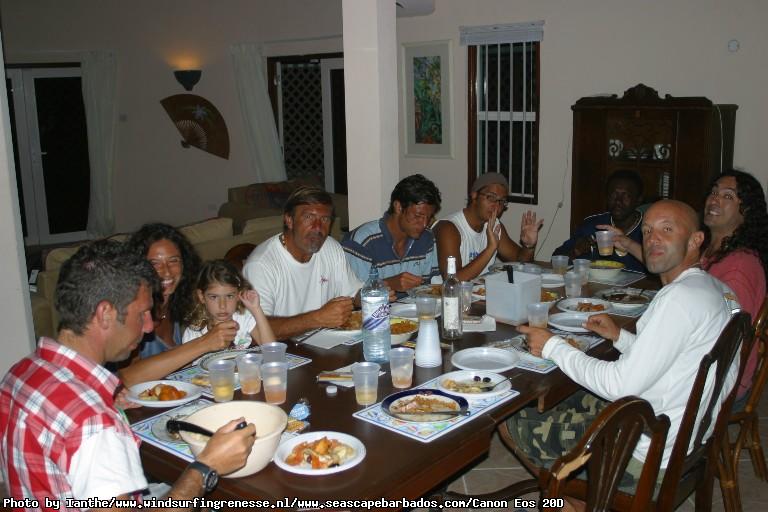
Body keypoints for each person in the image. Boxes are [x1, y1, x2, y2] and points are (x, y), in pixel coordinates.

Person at [0, 240, 255, 510]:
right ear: (105, 314)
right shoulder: (96, 426)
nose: (148, 326)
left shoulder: (21, 373)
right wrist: (205, 468)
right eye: (143, 313)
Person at [510, 200, 739, 499]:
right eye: (648, 231)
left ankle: (567, 498)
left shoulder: (678, 299)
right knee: (570, 396)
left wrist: (552, 345)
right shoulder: (715, 289)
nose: (653, 238)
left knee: (514, 413)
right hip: (683, 435)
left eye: (667, 229)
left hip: (646, 455)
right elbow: (675, 357)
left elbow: (619, 385)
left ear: (696, 240)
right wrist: (620, 337)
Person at [608, 170, 767, 405]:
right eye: (713, 192)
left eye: (728, 196)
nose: (714, 200)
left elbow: (728, 338)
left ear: (748, 211)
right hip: (702, 369)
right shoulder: (714, 251)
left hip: (717, 385)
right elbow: (671, 263)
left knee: (622, 374)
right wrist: (628, 243)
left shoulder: (739, 267)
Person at [116, 224, 232, 386]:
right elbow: (126, 379)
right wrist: (204, 343)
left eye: (173, 261)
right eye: (155, 263)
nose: (167, 272)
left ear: (184, 264)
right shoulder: (130, 311)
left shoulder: (186, 300)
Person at [243, 186, 366, 339]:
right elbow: (256, 331)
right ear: (289, 220)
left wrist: (374, 294)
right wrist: (317, 318)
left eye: (325, 219)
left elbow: (353, 293)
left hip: (326, 343)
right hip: (281, 349)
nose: (318, 227)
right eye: (308, 217)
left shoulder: (331, 247)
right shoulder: (261, 265)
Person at [342, 174, 442, 295]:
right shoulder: (364, 241)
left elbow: (432, 289)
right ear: (398, 207)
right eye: (418, 216)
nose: (424, 224)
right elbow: (351, 297)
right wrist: (389, 284)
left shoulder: (427, 238)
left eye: (429, 217)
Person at [433, 172, 542, 281]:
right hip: (441, 292)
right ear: (474, 195)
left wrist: (529, 246)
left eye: (502, 201)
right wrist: (490, 248)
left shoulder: (495, 226)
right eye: (491, 198)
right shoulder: (448, 228)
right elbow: (453, 280)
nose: (497, 206)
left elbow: (521, 263)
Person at [553, 169, 647, 272]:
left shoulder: (649, 229)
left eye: (626, 196)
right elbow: (556, 259)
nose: (618, 201)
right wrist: (575, 251)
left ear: (639, 199)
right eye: (613, 195)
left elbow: (658, 268)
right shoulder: (594, 225)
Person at [183, 259, 276, 348]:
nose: (222, 306)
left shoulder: (243, 319)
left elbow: (271, 349)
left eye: (229, 296)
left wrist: (256, 309)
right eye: (214, 297)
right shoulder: (194, 333)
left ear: (239, 294)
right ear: (201, 296)